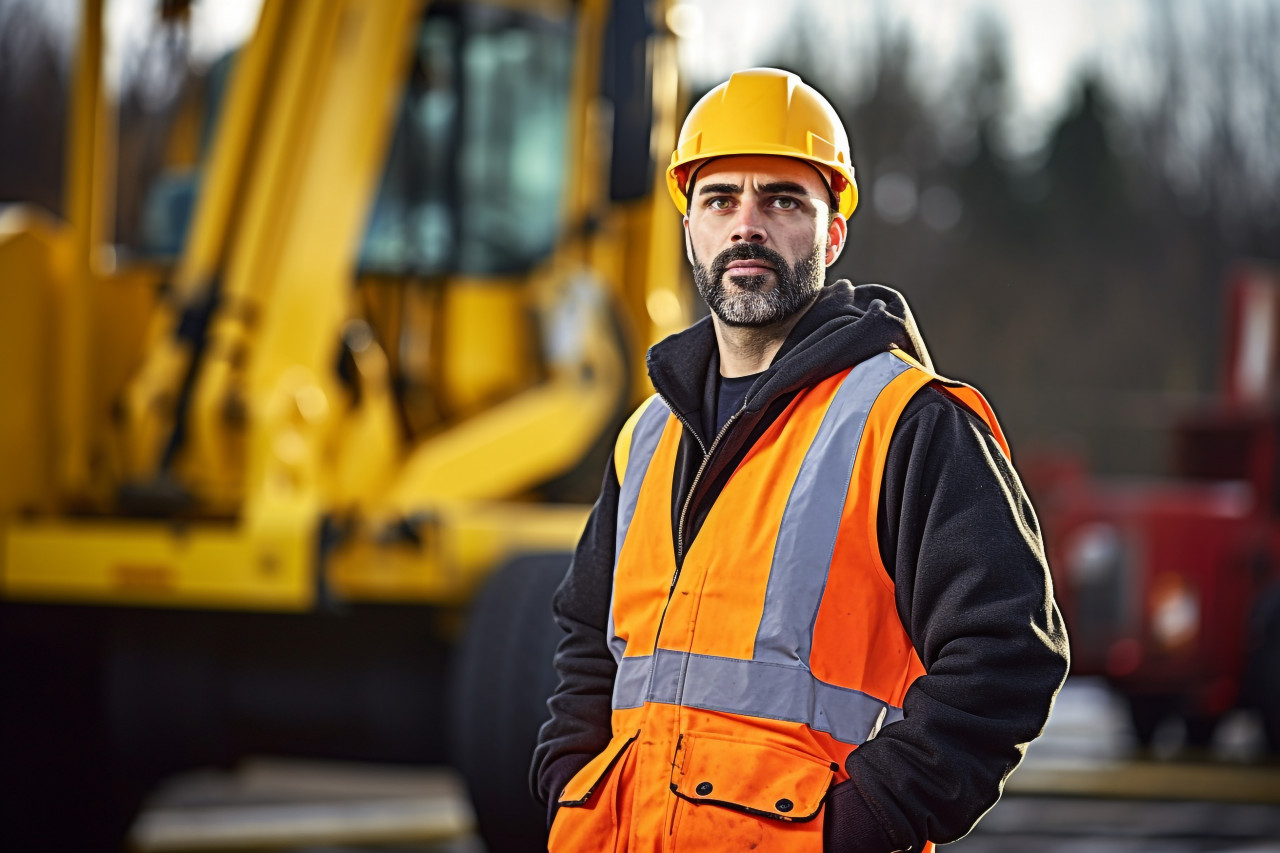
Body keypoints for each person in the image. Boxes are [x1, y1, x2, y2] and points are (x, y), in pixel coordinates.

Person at [530, 67, 1069, 853]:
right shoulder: (646, 434)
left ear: (833, 231)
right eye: (720, 199)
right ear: (690, 227)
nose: (747, 225)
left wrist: (858, 826)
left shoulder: (907, 421)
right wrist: (570, 788)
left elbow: (1008, 654)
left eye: (783, 199)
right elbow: (587, 641)